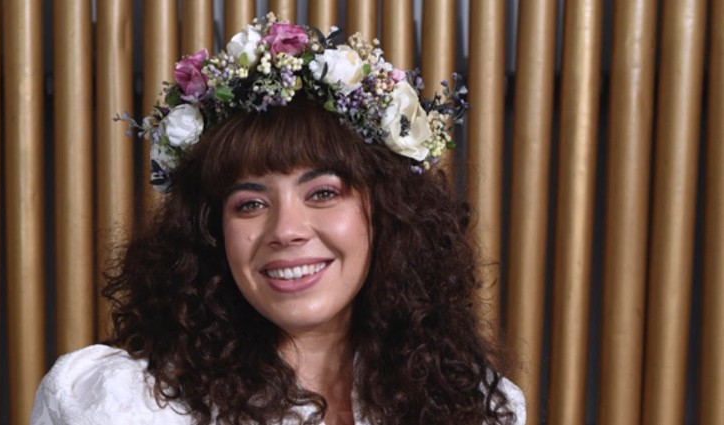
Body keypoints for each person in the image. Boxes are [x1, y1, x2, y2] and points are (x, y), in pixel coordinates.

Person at [31, 14, 526, 425]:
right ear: (209, 233)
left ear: (388, 213)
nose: (286, 229)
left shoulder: (482, 407)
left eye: (323, 193)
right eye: (250, 203)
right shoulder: (113, 402)